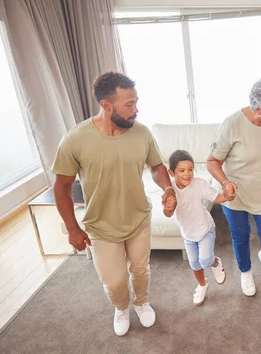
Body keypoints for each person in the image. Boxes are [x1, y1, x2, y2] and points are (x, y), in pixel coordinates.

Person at [52, 72, 177, 336]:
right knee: (114, 280)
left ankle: (142, 302)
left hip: (138, 217)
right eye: (128, 104)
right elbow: (61, 187)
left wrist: (168, 189)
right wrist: (73, 228)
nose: (136, 110)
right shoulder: (75, 139)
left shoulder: (141, 133)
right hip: (100, 225)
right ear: (106, 105)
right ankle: (121, 307)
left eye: (136, 102)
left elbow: (156, 166)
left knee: (141, 270)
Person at [207, 78, 261, 297]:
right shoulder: (232, 124)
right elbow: (212, 161)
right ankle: (245, 272)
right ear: (257, 109)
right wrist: (225, 183)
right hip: (235, 194)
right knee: (240, 237)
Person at [163, 150, 231, 306]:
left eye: (190, 169)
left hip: (205, 229)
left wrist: (226, 196)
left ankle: (215, 262)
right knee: (194, 264)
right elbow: (167, 213)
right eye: (182, 170)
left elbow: (216, 197)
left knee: (205, 260)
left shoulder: (199, 184)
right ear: (171, 172)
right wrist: (168, 207)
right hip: (188, 234)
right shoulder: (170, 190)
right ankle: (202, 285)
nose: (187, 174)